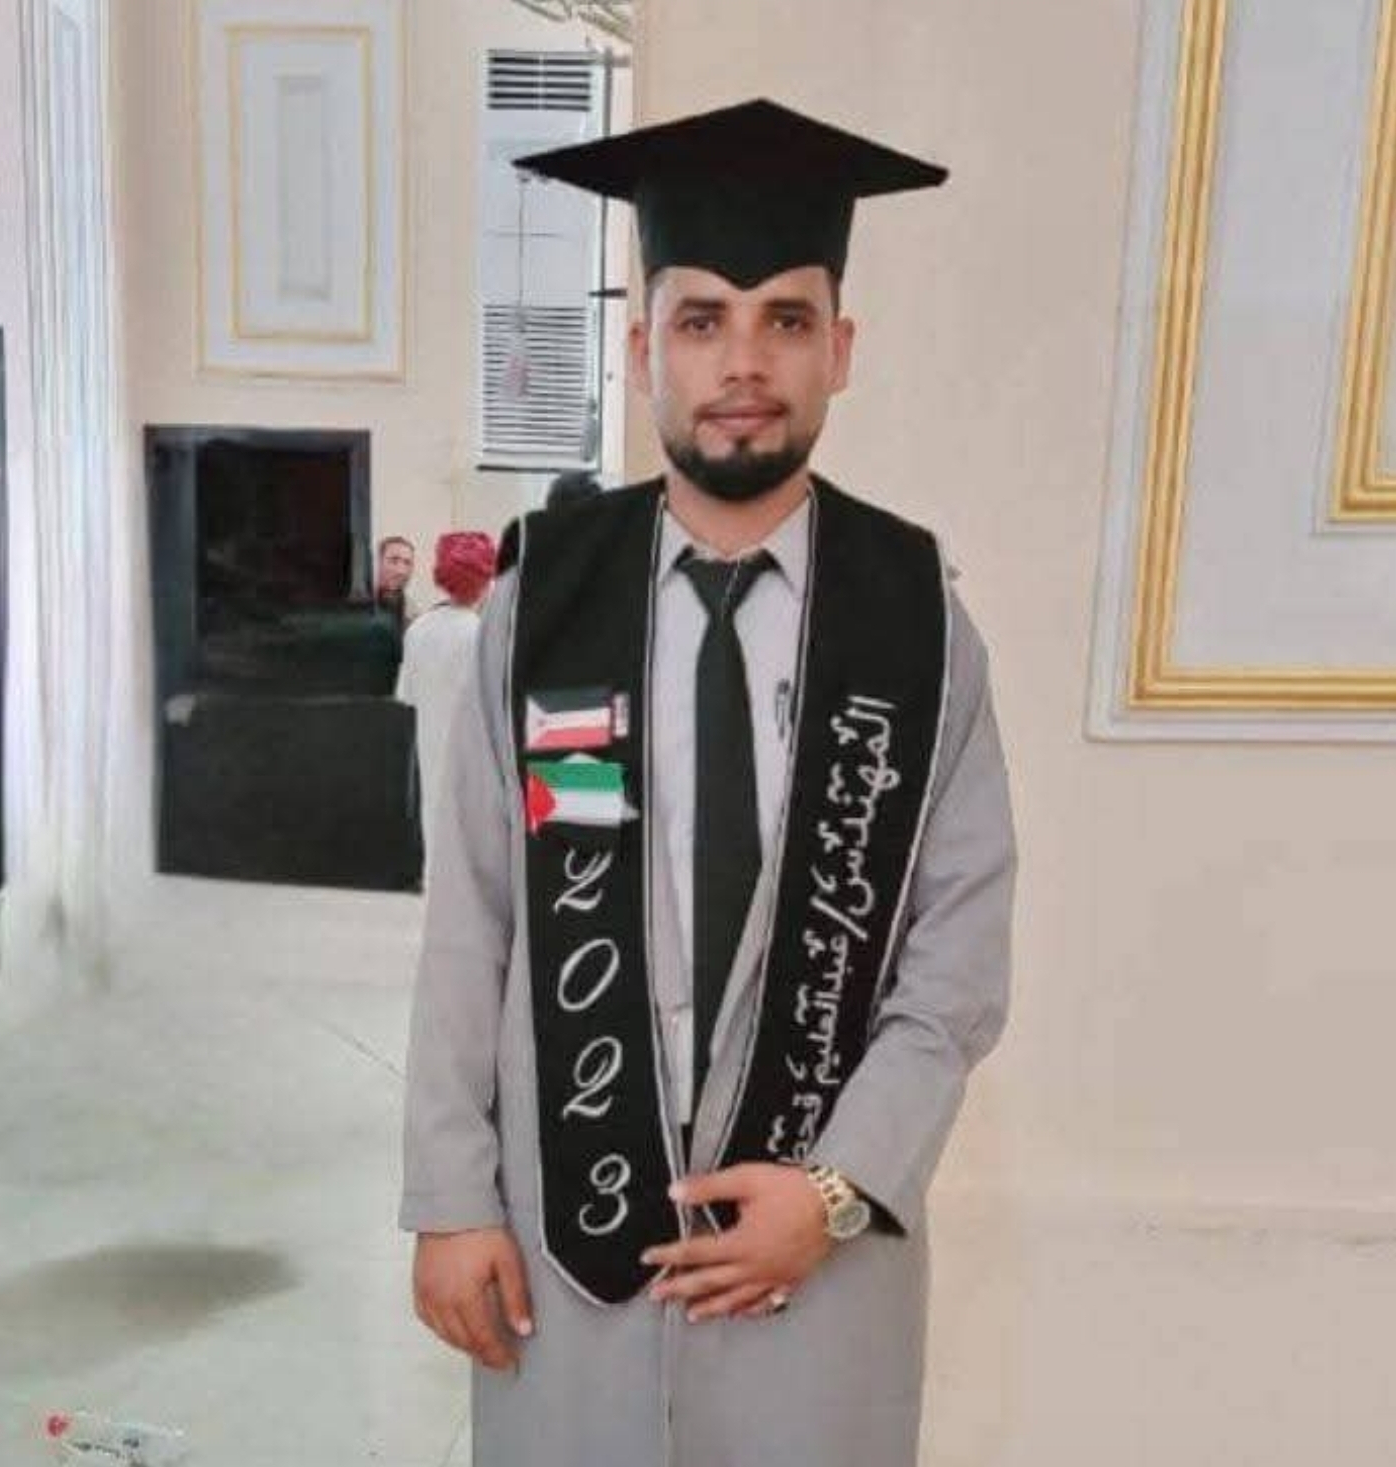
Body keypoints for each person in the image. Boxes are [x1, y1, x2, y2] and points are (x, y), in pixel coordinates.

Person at [401, 99, 1015, 1467]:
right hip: (565, 1230)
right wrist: (449, 1193)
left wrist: (840, 1186)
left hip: (814, 1247)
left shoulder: (911, 621)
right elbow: (474, 914)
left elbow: (956, 957)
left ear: (838, 350)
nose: (742, 362)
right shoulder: (544, 609)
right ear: (642, 351)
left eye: (784, 319)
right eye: (700, 320)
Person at [395, 532, 497, 879]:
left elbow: (407, 695)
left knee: (438, 842)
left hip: (432, 755)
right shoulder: (482, 634)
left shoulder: (418, 630)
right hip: (476, 760)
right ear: (485, 581)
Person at [375, 534, 417, 623]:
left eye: (407, 563)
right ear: (378, 562)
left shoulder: (414, 616)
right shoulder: (356, 607)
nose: (401, 571)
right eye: (393, 561)